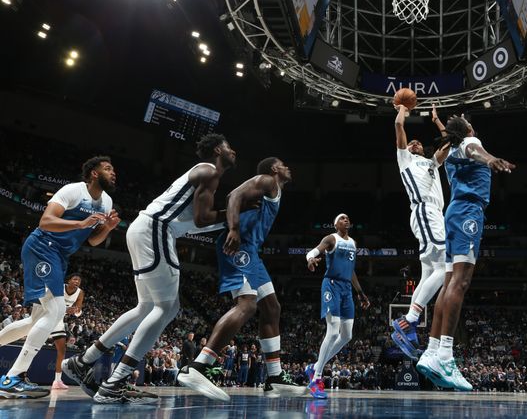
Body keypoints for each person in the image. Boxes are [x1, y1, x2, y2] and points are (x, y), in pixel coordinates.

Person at [63, 134, 236, 404]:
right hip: (155, 231)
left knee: (146, 307)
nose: (233, 150)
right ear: (217, 150)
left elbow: (193, 223)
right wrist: (238, 211)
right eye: (228, 147)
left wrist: (230, 219)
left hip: (146, 230)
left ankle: (84, 361)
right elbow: (202, 220)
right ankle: (116, 381)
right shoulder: (209, 171)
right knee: (168, 308)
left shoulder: (199, 176)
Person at [178, 157, 305, 400]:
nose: (288, 166)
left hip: (251, 251)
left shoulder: (274, 191)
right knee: (247, 305)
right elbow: (233, 195)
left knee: (272, 308)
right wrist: (234, 229)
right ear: (274, 168)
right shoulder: (267, 180)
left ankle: (275, 377)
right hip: (239, 247)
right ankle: (199, 366)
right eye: (283, 163)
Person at [0, 157, 119, 399]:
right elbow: (45, 221)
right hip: (42, 246)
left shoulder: (106, 201)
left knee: (36, 321)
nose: (113, 172)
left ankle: (13, 377)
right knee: (54, 312)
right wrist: (81, 222)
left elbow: (92, 239)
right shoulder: (73, 191)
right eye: (108, 169)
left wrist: (106, 229)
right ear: (94, 174)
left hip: (60, 256)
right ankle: (13, 377)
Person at [415, 115, 514, 391]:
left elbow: (454, 139)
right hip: (469, 213)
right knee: (461, 282)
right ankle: (446, 356)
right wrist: (490, 159)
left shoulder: (450, 150)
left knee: (448, 283)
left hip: (453, 214)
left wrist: (437, 121)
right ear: (469, 129)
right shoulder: (470, 141)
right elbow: (474, 149)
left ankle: (432, 351)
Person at [390, 105, 449, 360]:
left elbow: (449, 145)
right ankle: (409, 319)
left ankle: (409, 326)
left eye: (418, 142)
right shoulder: (406, 160)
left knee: (428, 273)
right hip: (425, 211)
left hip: (435, 215)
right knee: (446, 268)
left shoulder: (431, 163)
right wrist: (403, 109)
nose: (414, 143)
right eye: (411, 143)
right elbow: (399, 127)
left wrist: (437, 121)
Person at [305, 214, 370, 399]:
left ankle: (314, 367)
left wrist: (360, 292)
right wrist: (310, 259)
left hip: (347, 288)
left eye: (348, 218)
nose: (346, 220)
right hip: (331, 285)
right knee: (333, 332)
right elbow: (314, 251)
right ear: (335, 224)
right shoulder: (331, 239)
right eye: (342, 218)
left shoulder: (353, 243)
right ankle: (316, 378)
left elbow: (351, 271)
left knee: (347, 335)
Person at [50, 273, 85, 390]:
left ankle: (57, 381)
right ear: (69, 280)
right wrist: (65, 309)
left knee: (62, 349)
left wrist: (75, 311)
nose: (77, 282)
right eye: (75, 279)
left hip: (58, 319)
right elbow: (50, 302)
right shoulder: (60, 286)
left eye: (79, 280)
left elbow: (78, 310)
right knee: (34, 344)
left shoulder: (80, 292)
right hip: (47, 314)